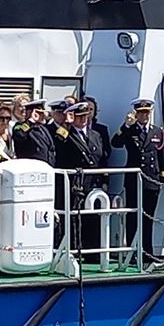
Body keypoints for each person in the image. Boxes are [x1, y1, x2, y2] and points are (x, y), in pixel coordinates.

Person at [112, 98, 164, 261]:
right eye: (141, 113)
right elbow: (116, 143)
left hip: (151, 180)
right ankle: (132, 252)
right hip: (134, 180)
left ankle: (147, 252)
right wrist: (126, 126)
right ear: (136, 114)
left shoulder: (157, 131)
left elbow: (161, 155)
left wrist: (162, 176)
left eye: (146, 112)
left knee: (148, 217)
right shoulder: (130, 130)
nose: (144, 116)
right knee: (133, 217)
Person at [52, 100, 102, 249]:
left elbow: (101, 158)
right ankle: (74, 249)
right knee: (74, 219)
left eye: (85, 115)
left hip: (92, 183)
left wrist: (104, 179)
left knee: (93, 219)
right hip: (75, 184)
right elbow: (58, 143)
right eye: (79, 116)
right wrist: (66, 125)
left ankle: (93, 252)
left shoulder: (95, 135)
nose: (83, 119)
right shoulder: (67, 134)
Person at [12, 99, 55, 164]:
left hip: (46, 166)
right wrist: (30, 121)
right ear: (30, 113)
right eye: (39, 113)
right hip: (30, 166)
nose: (43, 115)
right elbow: (20, 136)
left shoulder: (43, 128)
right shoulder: (20, 126)